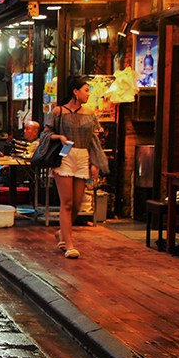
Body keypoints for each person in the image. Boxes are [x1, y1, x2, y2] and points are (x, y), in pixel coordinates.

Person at [42, 76, 108, 259]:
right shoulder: (57, 111)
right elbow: (45, 135)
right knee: (68, 202)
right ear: (75, 91)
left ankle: (62, 232)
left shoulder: (90, 113)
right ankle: (68, 244)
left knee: (78, 204)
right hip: (64, 157)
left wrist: (95, 163)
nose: (88, 94)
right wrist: (60, 138)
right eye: (86, 90)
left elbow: (94, 141)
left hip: (82, 156)